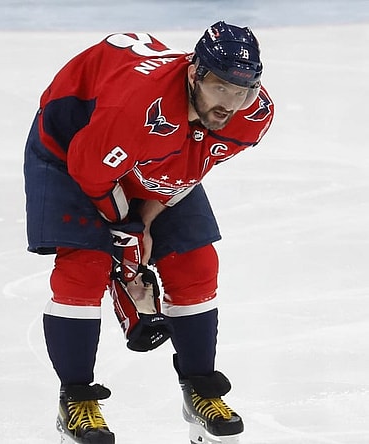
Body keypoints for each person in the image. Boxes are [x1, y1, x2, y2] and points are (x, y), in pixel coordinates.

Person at [23, 22, 274, 444]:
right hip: (73, 150)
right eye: (221, 88)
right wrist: (127, 237)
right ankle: (77, 400)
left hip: (149, 146)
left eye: (242, 90)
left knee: (194, 261)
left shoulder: (254, 114)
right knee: (85, 264)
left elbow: (191, 166)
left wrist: (149, 220)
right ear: (194, 72)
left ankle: (201, 389)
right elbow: (92, 174)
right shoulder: (134, 109)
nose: (230, 104)